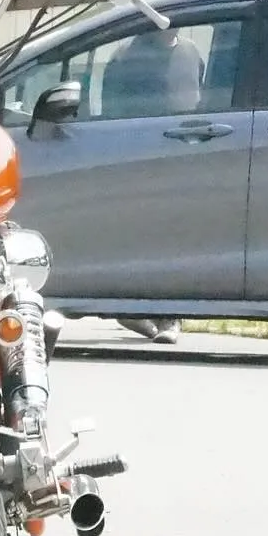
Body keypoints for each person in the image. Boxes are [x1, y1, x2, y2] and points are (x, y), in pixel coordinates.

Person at [104, 27, 204, 345]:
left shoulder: (190, 52)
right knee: (139, 233)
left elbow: (200, 99)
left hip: (183, 153)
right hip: (140, 155)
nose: (169, 24)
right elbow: (111, 110)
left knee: (174, 235)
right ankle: (138, 309)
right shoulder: (126, 56)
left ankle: (167, 315)